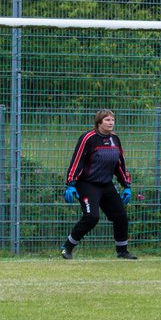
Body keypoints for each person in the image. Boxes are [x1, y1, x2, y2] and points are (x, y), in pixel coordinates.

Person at [61, 109, 136, 260]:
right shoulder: (88, 138)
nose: (111, 123)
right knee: (91, 217)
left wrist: (126, 185)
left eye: (113, 120)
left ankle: (122, 251)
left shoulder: (115, 139)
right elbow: (77, 160)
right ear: (99, 122)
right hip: (87, 184)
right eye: (107, 120)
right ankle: (67, 247)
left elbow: (119, 164)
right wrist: (71, 183)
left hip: (106, 184)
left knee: (121, 216)